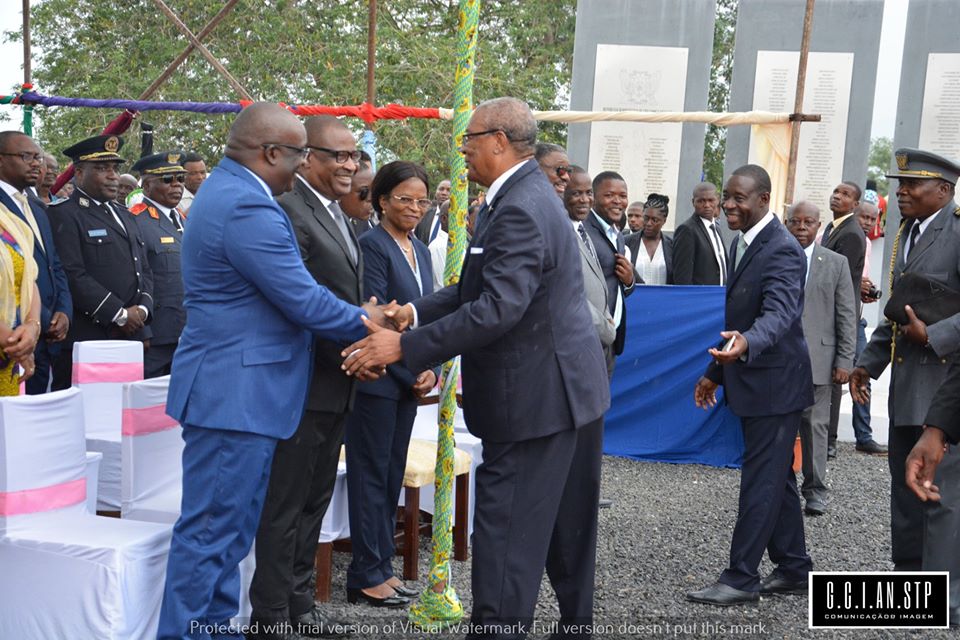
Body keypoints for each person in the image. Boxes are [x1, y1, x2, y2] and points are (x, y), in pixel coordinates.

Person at [340, 97, 610, 639]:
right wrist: (412, 312)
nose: (462, 149)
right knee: (562, 525)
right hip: (562, 390)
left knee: (508, 535)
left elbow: (498, 309)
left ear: (498, 141)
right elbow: (472, 288)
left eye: (469, 139)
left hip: (535, 399)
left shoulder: (520, 205)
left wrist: (404, 347)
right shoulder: (518, 196)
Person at [157, 103, 388, 640]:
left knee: (228, 534)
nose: (302, 166)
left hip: (236, 391)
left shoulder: (231, 192)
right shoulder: (247, 207)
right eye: (300, 155)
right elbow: (302, 300)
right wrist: (367, 320)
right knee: (213, 535)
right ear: (270, 153)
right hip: (235, 394)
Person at [246, 115, 365, 640]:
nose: (348, 165)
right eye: (336, 155)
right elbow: (299, 305)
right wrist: (365, 334)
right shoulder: (288, 213)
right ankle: (269, 616)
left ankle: (299, 606)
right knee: (284, 506)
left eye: (354, 156)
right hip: (301, 385)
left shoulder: (341, 216)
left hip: (337, 385)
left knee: (314, 502)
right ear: (305, 158)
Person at [689, 164, 813, 606]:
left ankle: (741, 577)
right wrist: (714, 373)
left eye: (739, 198)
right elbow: (738, 321)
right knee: (776, 478)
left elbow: (778, 315)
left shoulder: (782, 249)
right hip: (755, 379)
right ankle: (795, 567)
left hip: (775, 387)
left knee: (761, 481)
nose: (728, 205)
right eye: (726, 196)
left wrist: (745, 344)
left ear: (764, 199)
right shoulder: (745, 241)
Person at [850, 148, 960, 626]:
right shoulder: (905, 234)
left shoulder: (957, 232)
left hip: (946, 388)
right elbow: (899, 312)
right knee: (904, 488)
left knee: (939, 492)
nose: (902, 192)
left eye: (913, 184)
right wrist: (866, 364)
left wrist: (935, 335)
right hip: (905, 386)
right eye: (900, 183)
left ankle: (946, 598)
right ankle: (910, 581)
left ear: (946, 191)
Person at [345, 161, 436, 608]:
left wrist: (430, 367)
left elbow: (428, 315)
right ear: (382, 201)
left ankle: (382, 567)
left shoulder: (418, 248)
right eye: (405, 199)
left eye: (422, 201)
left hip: (408, 380)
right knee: (371, 476)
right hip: (378, 380)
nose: (415, 208)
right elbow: (375, 318)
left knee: (390, 475)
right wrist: (410, 365)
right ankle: (365, 573)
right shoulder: (372, 246)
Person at [48, 135, 154, 391]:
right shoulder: (64, 214)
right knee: (87, 419)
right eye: (102, 168)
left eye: (115, 168)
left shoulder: (126, 216)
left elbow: (144, 268)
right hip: (90, 336)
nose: (113, 176)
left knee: (126, 417)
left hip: (132, 333)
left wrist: (143, 311)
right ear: (79, 173)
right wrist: (119, 314)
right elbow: (73, 274)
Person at [785, 201, 856, 516]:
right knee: (779, 427)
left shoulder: (836, 263)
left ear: (819, 226)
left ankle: (815, 492)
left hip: (820, 360)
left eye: (808, 222)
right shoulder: (776, 258)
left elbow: (846, 315)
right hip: (781, 360)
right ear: (787, 224)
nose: (801, 227)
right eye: (795, 222)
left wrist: (845, 360)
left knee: (815, 427)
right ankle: (778, 487)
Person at [0, 131, 71, 394]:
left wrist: (64, 310)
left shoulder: (36, 207)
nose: (36, 164)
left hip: (41, 333)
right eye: (26, 156)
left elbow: (52, 264)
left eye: (38, 158)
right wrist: (23, 333)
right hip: (13, 338)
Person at [127, 152, 187, 379]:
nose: (176, 186)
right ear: (147, 185)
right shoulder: (135, 220)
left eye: (180, 178)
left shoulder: (182, 219)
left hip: (186, 330)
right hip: (156, 333)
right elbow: (135, 277)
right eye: (167, 179)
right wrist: (142, 329)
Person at [822, 181, 867, 459]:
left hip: (839, 312)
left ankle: (829, 439)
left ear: (855, 204)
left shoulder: (850, 233)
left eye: (846, 195)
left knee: (835, 374)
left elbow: (837, 279)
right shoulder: (833, 227)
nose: (838, 197)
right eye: (836, 192)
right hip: (829, 310)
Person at [585, 171, 638, 375]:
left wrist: (629, 281)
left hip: (610, 340)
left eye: (622, 196)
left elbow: (620, 286)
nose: (618, 201)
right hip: (588, 336)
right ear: (593, 197)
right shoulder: (582, 232)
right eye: (609, 195)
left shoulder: (618, 236)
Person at [850, 199, 886, 455]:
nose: (867, 222)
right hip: (837, 320)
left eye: (872, 219)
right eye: (863, 217)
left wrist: (864, 292)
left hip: (857, 319)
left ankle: (863, 436)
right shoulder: (832, 236)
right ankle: (825, 438)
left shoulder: (868, 244)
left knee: (864, 372)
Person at [0, 177, 42, 395]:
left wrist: (32, 327)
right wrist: (16, 344)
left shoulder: (8, 220)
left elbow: (28, 277)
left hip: (9, 355)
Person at [672, 182, 726, 285]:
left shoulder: (716, 229)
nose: (706, 205)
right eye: (701, 201)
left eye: (711, 200)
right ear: (693, 202)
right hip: (700, 298)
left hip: (720, 297)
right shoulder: (686, 230)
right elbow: (682, 276)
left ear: (718, 200)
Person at [625, 194, 673, 285]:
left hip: (663, 298)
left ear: (664, 221)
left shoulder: (671, 246)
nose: (648, 223)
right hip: (634, 297)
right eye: (646, 218)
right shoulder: (627, 242)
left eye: (654, 220)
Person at [341, 164, 376, 237]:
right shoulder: (326, 224)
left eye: (373, 190)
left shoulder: (363, 225)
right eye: (364, 191)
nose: (370, 198)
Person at [414, 178, 451, 245]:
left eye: (449, 190)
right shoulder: (424, 215)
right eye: (441, 189)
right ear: (435, 193)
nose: (444, 193)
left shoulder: (458, 220)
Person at [428, 200, 449, 291]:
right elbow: (443, 286)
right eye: (460, 217)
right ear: (444, 219)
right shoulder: (439, 247)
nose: (466, 223)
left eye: (465, 218)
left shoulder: (459, 244)